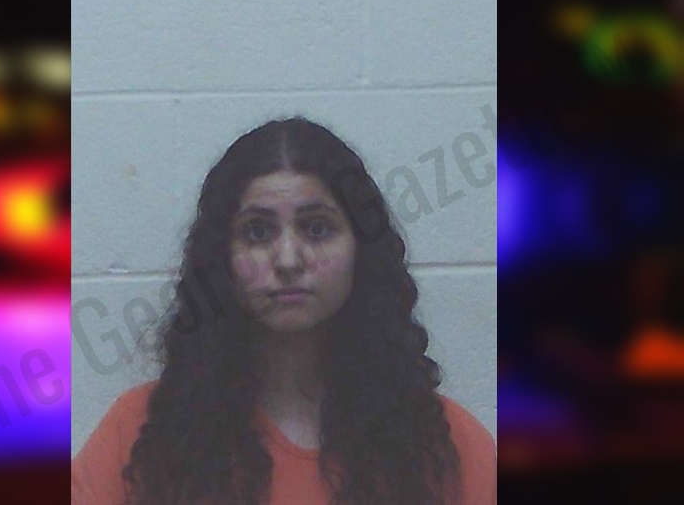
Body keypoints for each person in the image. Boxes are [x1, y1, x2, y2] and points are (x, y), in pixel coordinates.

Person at [72, 117, 496, 505]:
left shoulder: (446, 446)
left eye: (317, 228)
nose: (288, 260)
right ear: (221, 259)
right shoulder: (142, 434)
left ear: (361, 250)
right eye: (258, 232)